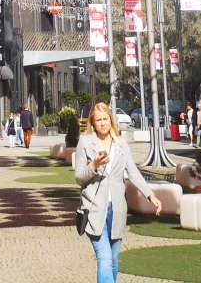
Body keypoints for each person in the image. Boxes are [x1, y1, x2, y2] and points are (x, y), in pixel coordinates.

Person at [75, 102, 161, 283]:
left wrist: (150, 195)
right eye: (98, 120)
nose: (102, 123)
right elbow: (79, 178)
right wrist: (94, 166)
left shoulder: (121, 143)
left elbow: (133, 172)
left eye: (105, 119)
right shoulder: (85, 142)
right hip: (94, 209)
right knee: (104, 259)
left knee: (113, 260)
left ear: (111, 120)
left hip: (117, 209)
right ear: (92, 121)